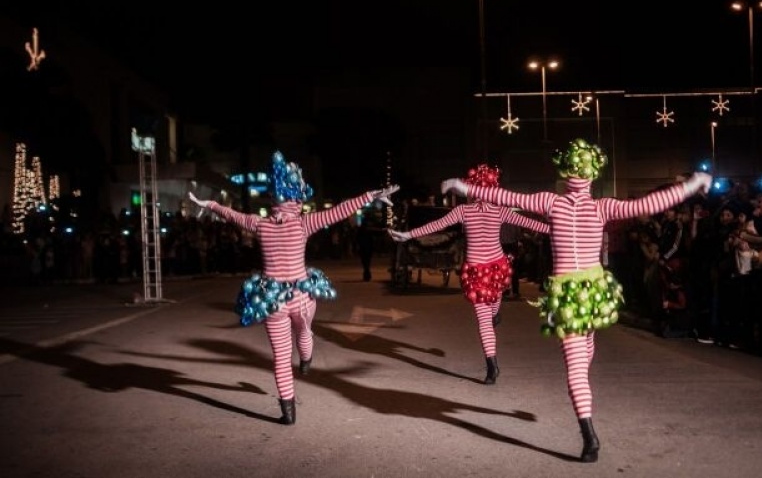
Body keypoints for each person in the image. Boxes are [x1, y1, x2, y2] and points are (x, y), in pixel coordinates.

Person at [441, 138, 711, 463]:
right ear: (592, 175)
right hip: (595, 290)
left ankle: (588, 435)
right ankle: (586, 410)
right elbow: (649, 204)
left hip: (567, 291)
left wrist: (461, 185)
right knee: (586, 351)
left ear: (565, 173)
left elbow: (504, 196)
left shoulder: (550, 203)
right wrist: (693, 184)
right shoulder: (604, 207)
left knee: (575, 367)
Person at [188, 150, 399, 425]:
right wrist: (372, 195)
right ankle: (307, 359)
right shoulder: (304, 223)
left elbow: (233, 215)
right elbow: (340, 211)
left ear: (274, 199)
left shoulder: (260, 224)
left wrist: (211, 204)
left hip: (271, 299)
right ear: (296, 197)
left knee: (280, 356)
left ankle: (288, 413)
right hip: (301, 295)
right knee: (304, 330)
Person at [388, 164, 550, 385]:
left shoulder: (463, 211)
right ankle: (496, 313)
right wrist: (564, 227)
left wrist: (407, 235)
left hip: (476, 269)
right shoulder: (500, 211)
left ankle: (492, 367)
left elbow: (435, 226)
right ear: (492, 188)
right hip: (498, 266)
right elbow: (532, 224)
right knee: (494, 303)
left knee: (483, 322)